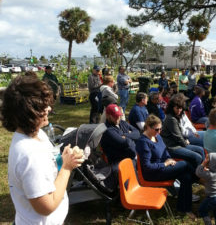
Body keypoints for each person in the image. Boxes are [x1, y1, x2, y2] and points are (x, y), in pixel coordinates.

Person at [3, 75, 83, 224]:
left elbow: (47, 166)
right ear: (27, 112)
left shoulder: (36, 133)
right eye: (42, 107)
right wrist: (66, 167)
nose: (49, 109)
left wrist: (63, 158)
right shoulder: (29, 154)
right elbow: (47, 206)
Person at [136, 114, 196, 217]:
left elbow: (165, 151)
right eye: (157, 129)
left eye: (160, 129)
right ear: (148, 127)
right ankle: (199, 178)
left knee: (186, 176)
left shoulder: (157, 136)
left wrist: (169, 158)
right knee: (185, 164)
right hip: (153, 174)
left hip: (164, 168)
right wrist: (165, 163)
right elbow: (147, 167)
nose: (159, 132)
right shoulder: (143, 142)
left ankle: (185, 209)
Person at [161, 94, 205, 169]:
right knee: (197, 157)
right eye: (177, 108)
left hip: (178, 144)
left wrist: (185, 140)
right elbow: (178, 136)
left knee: (200, 149)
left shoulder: (176, 116)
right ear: (172, 107)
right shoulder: (171, 119)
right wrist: (185, 142)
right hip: (172, 147)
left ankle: (203, 170)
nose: (179, 110)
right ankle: (197, 176)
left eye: (181, 108)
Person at [101, 104, 140, 178]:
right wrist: (130, 137)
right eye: (115, 116)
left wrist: (125, 135)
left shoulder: (122, 123)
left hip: (132, 157)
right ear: (108, 116)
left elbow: (137, 133)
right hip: (120, 161)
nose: (118, 118)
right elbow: (125, 143)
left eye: (119, 115)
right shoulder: (107, 130)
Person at [196, 152, 216, 225]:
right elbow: (211, 172)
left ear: (211, 164)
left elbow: (198, 172)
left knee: (202, 211)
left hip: (212, 198)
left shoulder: (209, 175)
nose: (205, 159)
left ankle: (208, 223)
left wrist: (203, 164)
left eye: (207, 159)